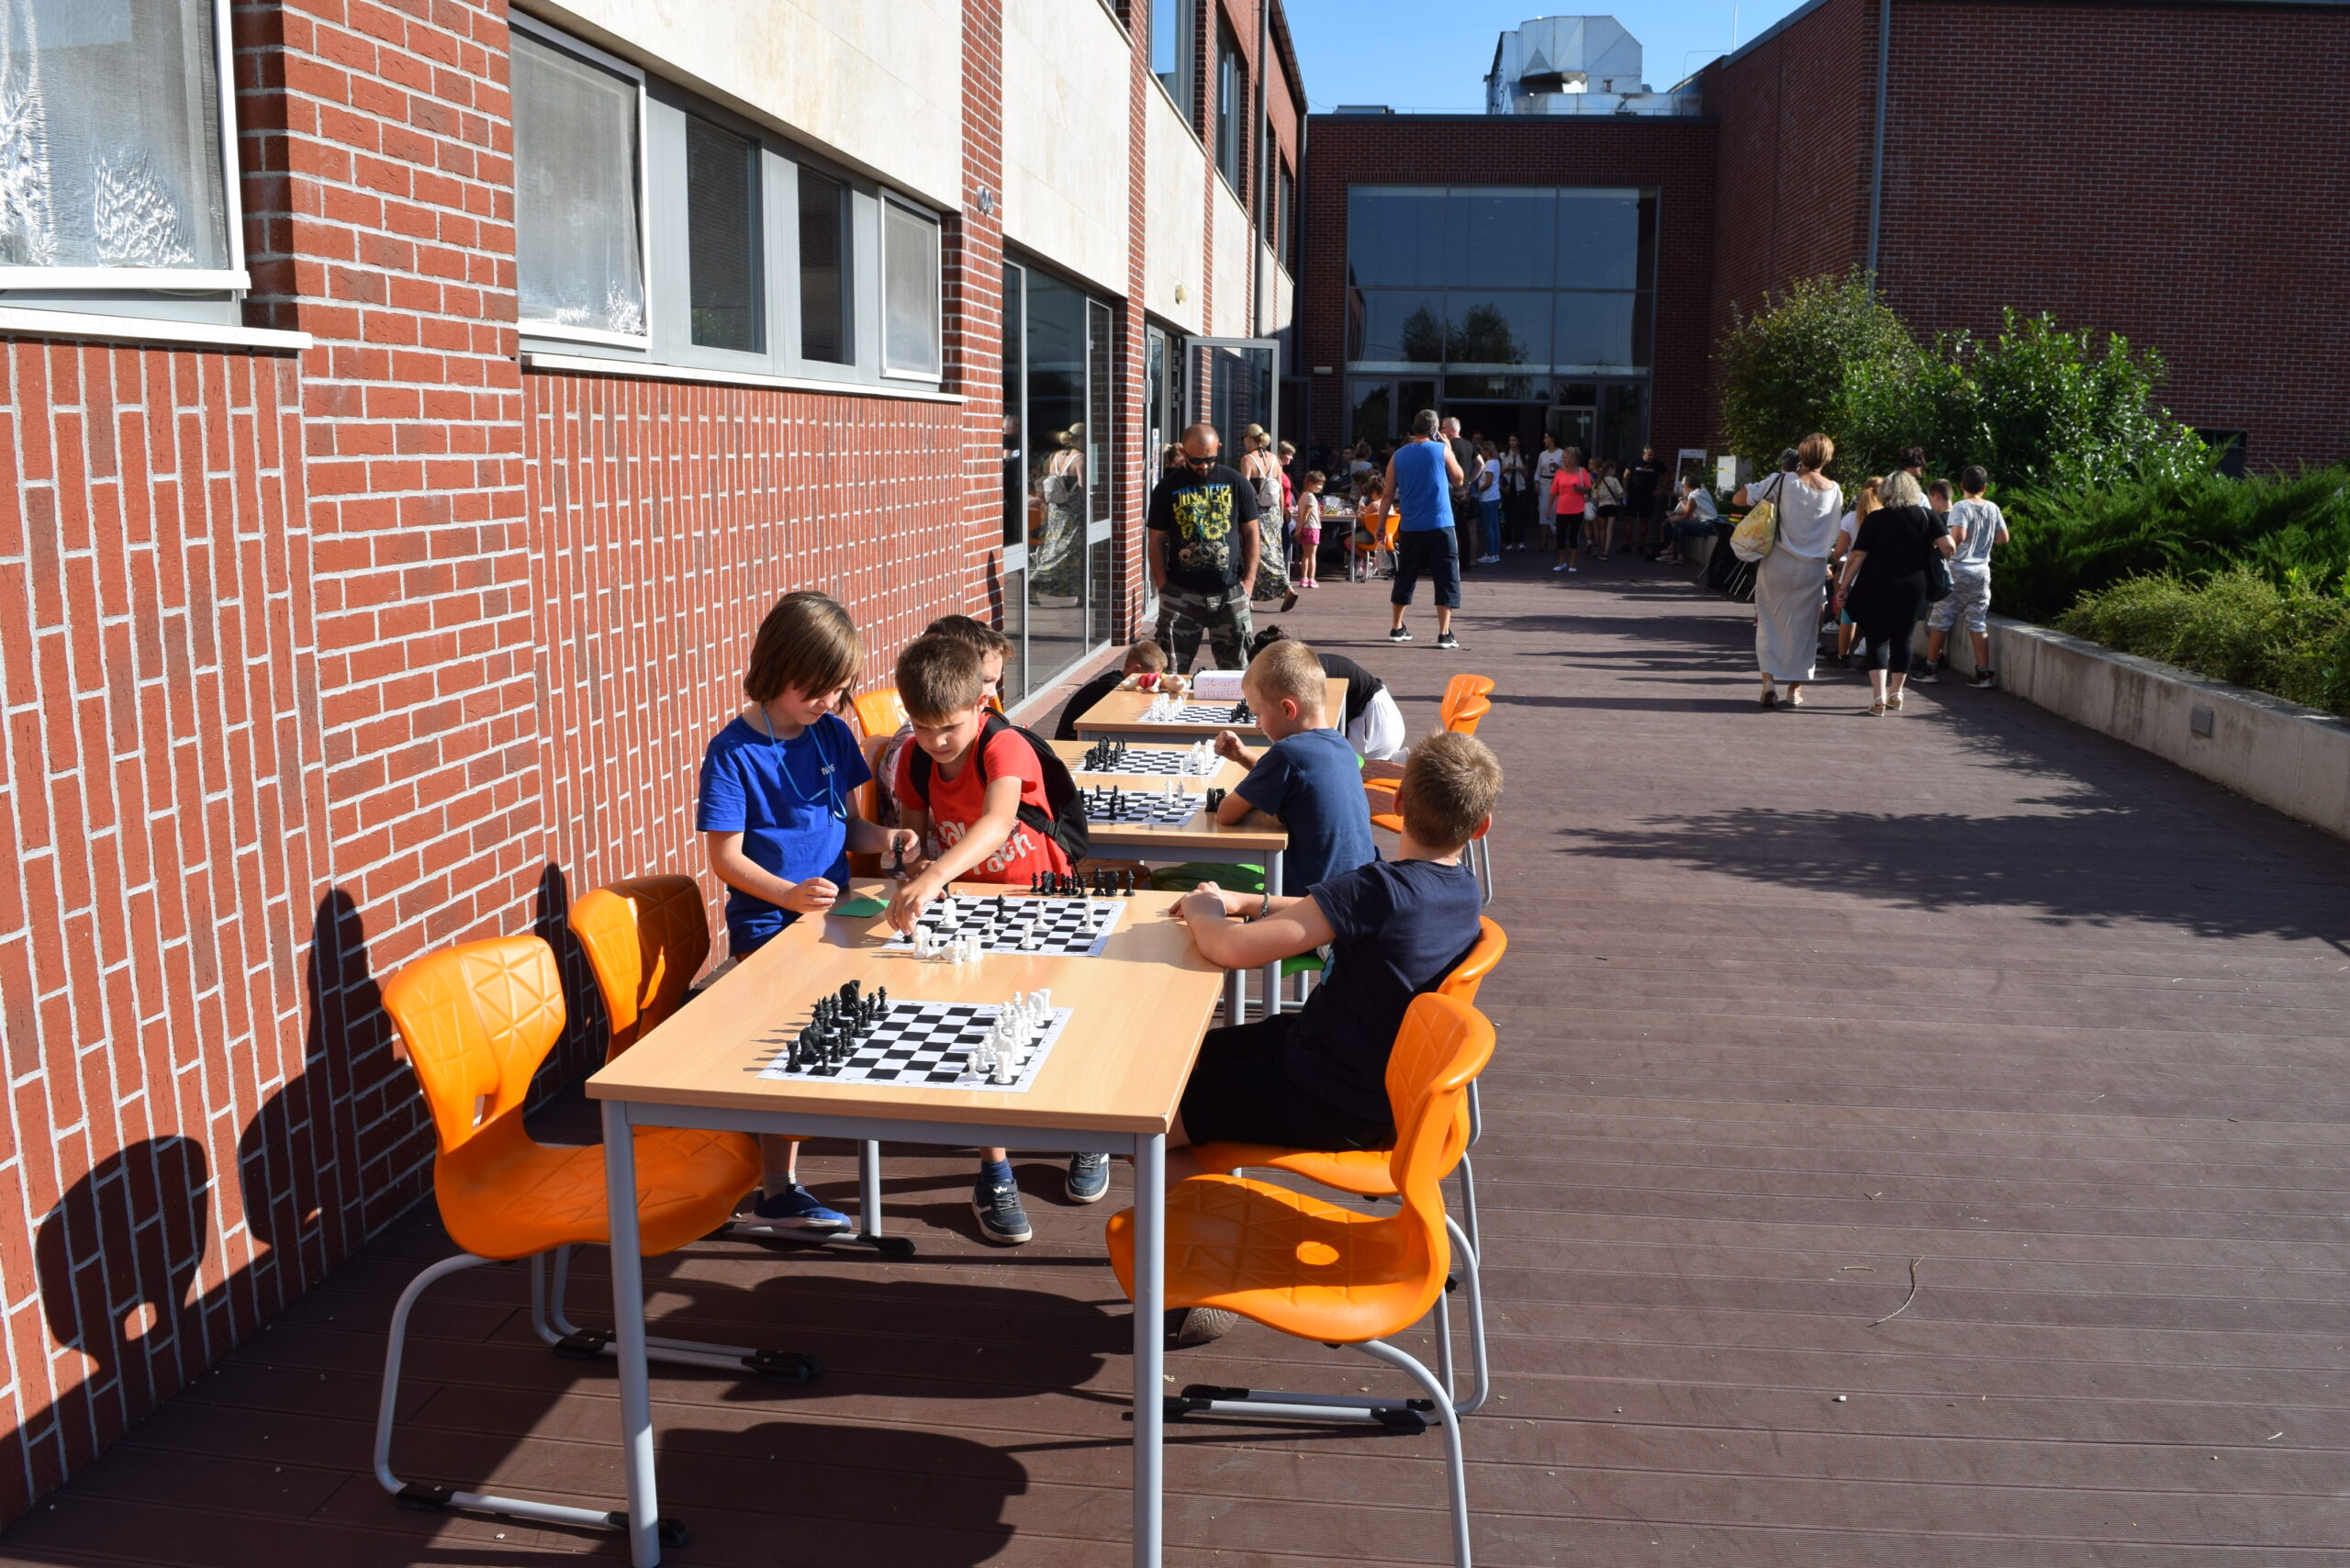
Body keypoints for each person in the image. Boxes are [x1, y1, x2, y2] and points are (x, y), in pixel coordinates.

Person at [1164, 731, 1500, 1175]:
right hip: (1358, 1076)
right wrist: (1245, 902)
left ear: (1399, 802)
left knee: (1149, 1114)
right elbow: (1333, 911)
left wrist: (1201, 910)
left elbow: (1231, 948)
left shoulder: (1376, 890)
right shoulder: (1462, 892)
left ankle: (1189, 1211)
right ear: (1481, 826)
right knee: (1182, 1058)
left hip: (1326, 1095)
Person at [699, 590, 918, 1237]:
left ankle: (783, 1177)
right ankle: (777, 1188)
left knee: (853, 1026)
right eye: (816, 689)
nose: (828, 701)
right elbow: (725, 859)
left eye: (839, 689)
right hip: (769, 926)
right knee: (789, 1052)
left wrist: (889, 839)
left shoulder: (831, 732)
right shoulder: (732, 752)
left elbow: (848, 825)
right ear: (776, 668)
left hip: (840, 913)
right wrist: (787, 896)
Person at [887, 635, 1094, 1242]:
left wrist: (931, 876)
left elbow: (999, 822)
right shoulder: (913, 759)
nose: (936, 742)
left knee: (1061, 1024)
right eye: (922, 728)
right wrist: (910, 856)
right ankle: (995, 1170)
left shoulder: (1006, 744)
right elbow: (917, 837)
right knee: (982, 1035)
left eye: (948, 728)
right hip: (971, 913)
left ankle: (1089, 1133)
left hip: (1041, 903)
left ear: (981, 704)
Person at [1208, 639, 1377, 896]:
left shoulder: (1287, 753)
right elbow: (1293, 779)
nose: (1256, 724)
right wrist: (1243, 756)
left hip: (1310, 900)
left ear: (1288, 709)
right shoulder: (1341, 745)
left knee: (1198, 894)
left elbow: (1226, 814)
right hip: (1358, 890)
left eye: (1258, 714)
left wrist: (1260, 813)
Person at [1734, 436, 1845, 710]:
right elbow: (1833, 533)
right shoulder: (1835, 490)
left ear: (1802, 455)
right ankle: (1795, 689)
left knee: (1769, 621)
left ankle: (1768, 683)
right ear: (1827, 458)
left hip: (1777, 562)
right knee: (1805, 629)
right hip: (1813, 568)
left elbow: (1739, 498)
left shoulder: (1782, 481)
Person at [1835, 469, 1954, 716]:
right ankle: (1897, 693)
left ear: (1886, 491)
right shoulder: (1927, 516)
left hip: (1876, 585)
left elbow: (1857, 555)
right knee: (1904, 638)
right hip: (1914, 586)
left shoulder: (1875, 519)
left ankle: (1879, 697)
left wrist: (1844, 586)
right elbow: (1949, 547)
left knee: (1877, 638)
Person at [1147, 422, 1263, 672]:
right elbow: (1155, 539)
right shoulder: (1167, 488)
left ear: (1218, 448)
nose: (1204, 466)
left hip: (1230, 593)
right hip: (1181, 594)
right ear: (1183, 452)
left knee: (1239, 675)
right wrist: (1163, 586)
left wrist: (1249, 582)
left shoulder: (1236, 482)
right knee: (1170, 673)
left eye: (1210, 459)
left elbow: (1252, 532)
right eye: (1196, 460)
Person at [1375, 409, 1466, 650]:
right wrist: (1448, 448)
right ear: (1434, 429)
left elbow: (1387, 494)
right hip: (1440, 523)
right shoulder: (1441, 449)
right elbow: (1459, 479)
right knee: (1446, 575)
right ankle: (1444, 633)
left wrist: (1381, 526)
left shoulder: (1398, 455)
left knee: (1406, 574)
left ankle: (1397, 627)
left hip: (1411, 525)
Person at [1249, 624, 1408, 761]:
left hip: (1376, 728)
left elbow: (1319, 723)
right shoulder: (1307, 667)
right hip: (1378, 719)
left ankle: (1393, 766)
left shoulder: (1306, 676)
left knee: (1324, 759)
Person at [1923, 465, 2009, 688]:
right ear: (1985, 487)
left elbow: (1958, 535)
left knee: (1940, 619)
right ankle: (1984, 674)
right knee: (1977, 622)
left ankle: (1930, 669)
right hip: (1982, 571)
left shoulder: (1961, 507)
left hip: (1959, 569)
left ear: (1962, 486)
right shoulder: (1993, 508)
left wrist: (1945, 551)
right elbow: (2003, 538)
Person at [1056, 638, 1168, 741]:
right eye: (1152, 678)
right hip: (1075, 741)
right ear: (1136, 670)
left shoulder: (1121, 683)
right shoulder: (1112, 688)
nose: (1155, 682)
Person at [1239, 422, 1298, 613]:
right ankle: (1282, 589)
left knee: (1252, 552)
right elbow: (1280, 488)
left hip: (1255, 512)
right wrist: (1280, 512)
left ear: (1249, 439)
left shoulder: (1247, 459)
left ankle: (1252, 594)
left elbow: (1244, 489)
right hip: (1273, 513)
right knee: (1274, 552)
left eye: (1244, 439)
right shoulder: (1274, 459)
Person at [1832, 476, 1882, 666]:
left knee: (1848, 617)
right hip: (1877, 573)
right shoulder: (1885, 516)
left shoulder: (1851, 518)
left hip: (1852, 573)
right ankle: (1873, 658)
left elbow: (1839, 550)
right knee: (1875, 617)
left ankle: (1843, 655)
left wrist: (1839, 559)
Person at [1549, 445, 1593, 574]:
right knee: (1560, 536)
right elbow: (1553, 491)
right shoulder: (1559, 473)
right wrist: (1548, 508)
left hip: (1577, 508)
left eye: (1565, 458)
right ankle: (1562, 561)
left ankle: (1573, 563)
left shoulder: (1582, 471)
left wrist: (1580, 489)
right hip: (1562, 508)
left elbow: (1589, 488)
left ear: (1573, 459)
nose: (1563, 460)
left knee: (1573, 535)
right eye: (1563, 458)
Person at [1660, 476, 1719, 564]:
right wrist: (1676, 514)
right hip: (1713, 525)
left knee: (1678, 522)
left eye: (1683, 486)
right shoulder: (1703, 492)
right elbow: (1690, 510)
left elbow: (1686, 516)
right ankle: (1680, 558)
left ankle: (1671, 547)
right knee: (1681, 528)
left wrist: (1680, 504)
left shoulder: (1693, 496)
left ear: (1687, 486)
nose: (1683, 488)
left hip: (1708, 525)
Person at [1626, 445, 1664, 558]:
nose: (1651, 457)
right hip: (1633, 495)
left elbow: (1667, 474)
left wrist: (1661, 489)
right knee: (1629, 519)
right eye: (1649, 455)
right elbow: (1626, 475)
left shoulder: (1657, 463)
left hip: (1648, 496)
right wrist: (1625, 490)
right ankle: (1626, 545)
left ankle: (1640, 545)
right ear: (1644, 453)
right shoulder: (1635, 461)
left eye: (1653, 455)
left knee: (1644, 521)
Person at [1293, 469, 1326, 588]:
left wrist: (1299, 528)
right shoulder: (1311, 497)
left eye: (1321, 485)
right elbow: (1306, 515)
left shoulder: (1303, 495)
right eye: (1317, 484)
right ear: (1309, 483)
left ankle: (1304, 578)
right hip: (1312, 527)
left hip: (1305, 528)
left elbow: (1301, 514)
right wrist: (1299, 528)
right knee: (1312, 555)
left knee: (1305, 555)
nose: (1319, 487)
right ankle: (1312, 579)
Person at [1472, 439, 1503, 565]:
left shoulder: (1490, 463)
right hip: (1495, 496)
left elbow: (1488, 482)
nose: (1481, 453)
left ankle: (1490, 553)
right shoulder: (1496, 462)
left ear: (1487, 451)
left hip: (1487, 498)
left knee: (1489, 526)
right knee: (1495, 526)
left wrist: (1477, 490)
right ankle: (1495, 553)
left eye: (1482, 451)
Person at [1533, 431, 1563, 553]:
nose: (1544, 440)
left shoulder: (1561, 453)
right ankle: (1543, 540)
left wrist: (1558, 467)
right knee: (1543, 510)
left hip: (1556, 483)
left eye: (1546, 438)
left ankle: (1557, 541)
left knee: (1556, 512)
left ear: (1552, 439)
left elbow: (1567, 470)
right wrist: (1536, 482)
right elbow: (1538, 471)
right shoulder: (1542, 454)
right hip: (1544, 483)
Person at [1590, 459, 1627, 560]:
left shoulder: (1599, 481)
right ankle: (1606, 552)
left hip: (1602, 506)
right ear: (1610, 469)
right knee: (1609, 529)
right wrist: (1616, 497)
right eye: (1614, 469)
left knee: (1602, 530)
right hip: (1612, 506)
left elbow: (1595, 497)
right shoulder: (1615, 481)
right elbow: (1621, 494)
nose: (1615, 471)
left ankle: (1601, 550)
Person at [1499, 434, 1529, 553]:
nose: (1511, 442)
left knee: (1519, 515)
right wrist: (1507, 468)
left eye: (1514, 440)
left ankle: (1520, 542)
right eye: (1510, 440)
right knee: (1507, 515)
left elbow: (1526, 475)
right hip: (1507, 487)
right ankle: (1507, 542)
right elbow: (1500, 473)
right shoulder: (1503, 455)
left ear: (1518, 442)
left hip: (1519, 487)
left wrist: (1519, 469)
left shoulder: (1524, 456)